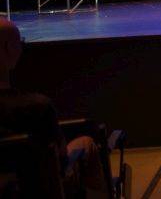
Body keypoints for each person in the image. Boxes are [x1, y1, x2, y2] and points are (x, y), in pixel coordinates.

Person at [0, 18, 106, 197]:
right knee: (86, 144)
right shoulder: (37, 106)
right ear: (9, 49)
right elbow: (62, 159)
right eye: (20, 42)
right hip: (33, 188)